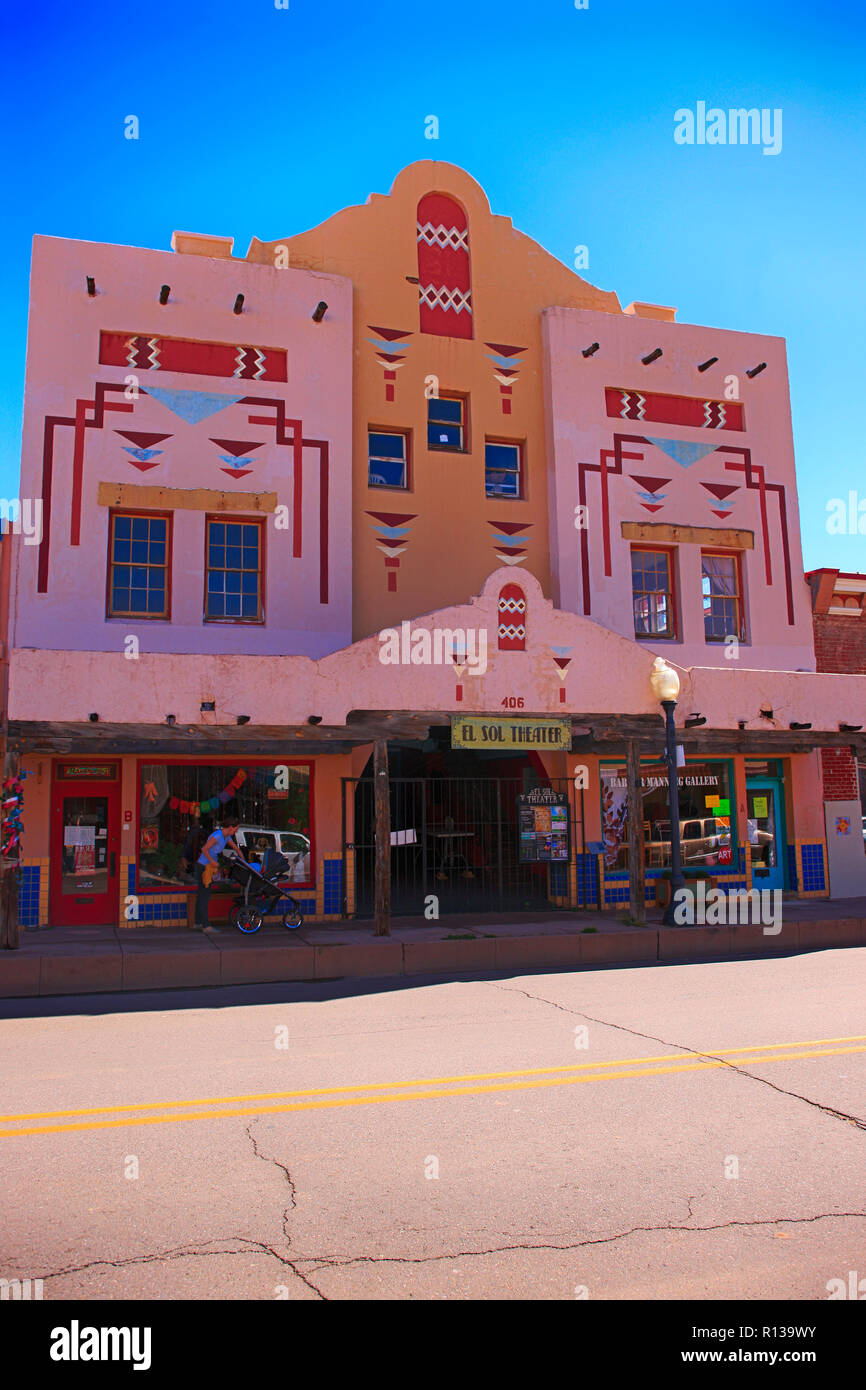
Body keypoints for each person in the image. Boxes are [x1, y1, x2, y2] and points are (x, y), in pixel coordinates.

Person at [193, 816, 241, 932]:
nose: (237, 831)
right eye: (236, 829)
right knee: (205, 895)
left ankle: (198, 922)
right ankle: (206, 925)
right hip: (204, 867)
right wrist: (212, 861)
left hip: (207, 866)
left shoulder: (226, 836)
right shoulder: (218, 836)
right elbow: (204, 849)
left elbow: (236, 848)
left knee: (201, 895)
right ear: (230, 827)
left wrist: (242, 859)